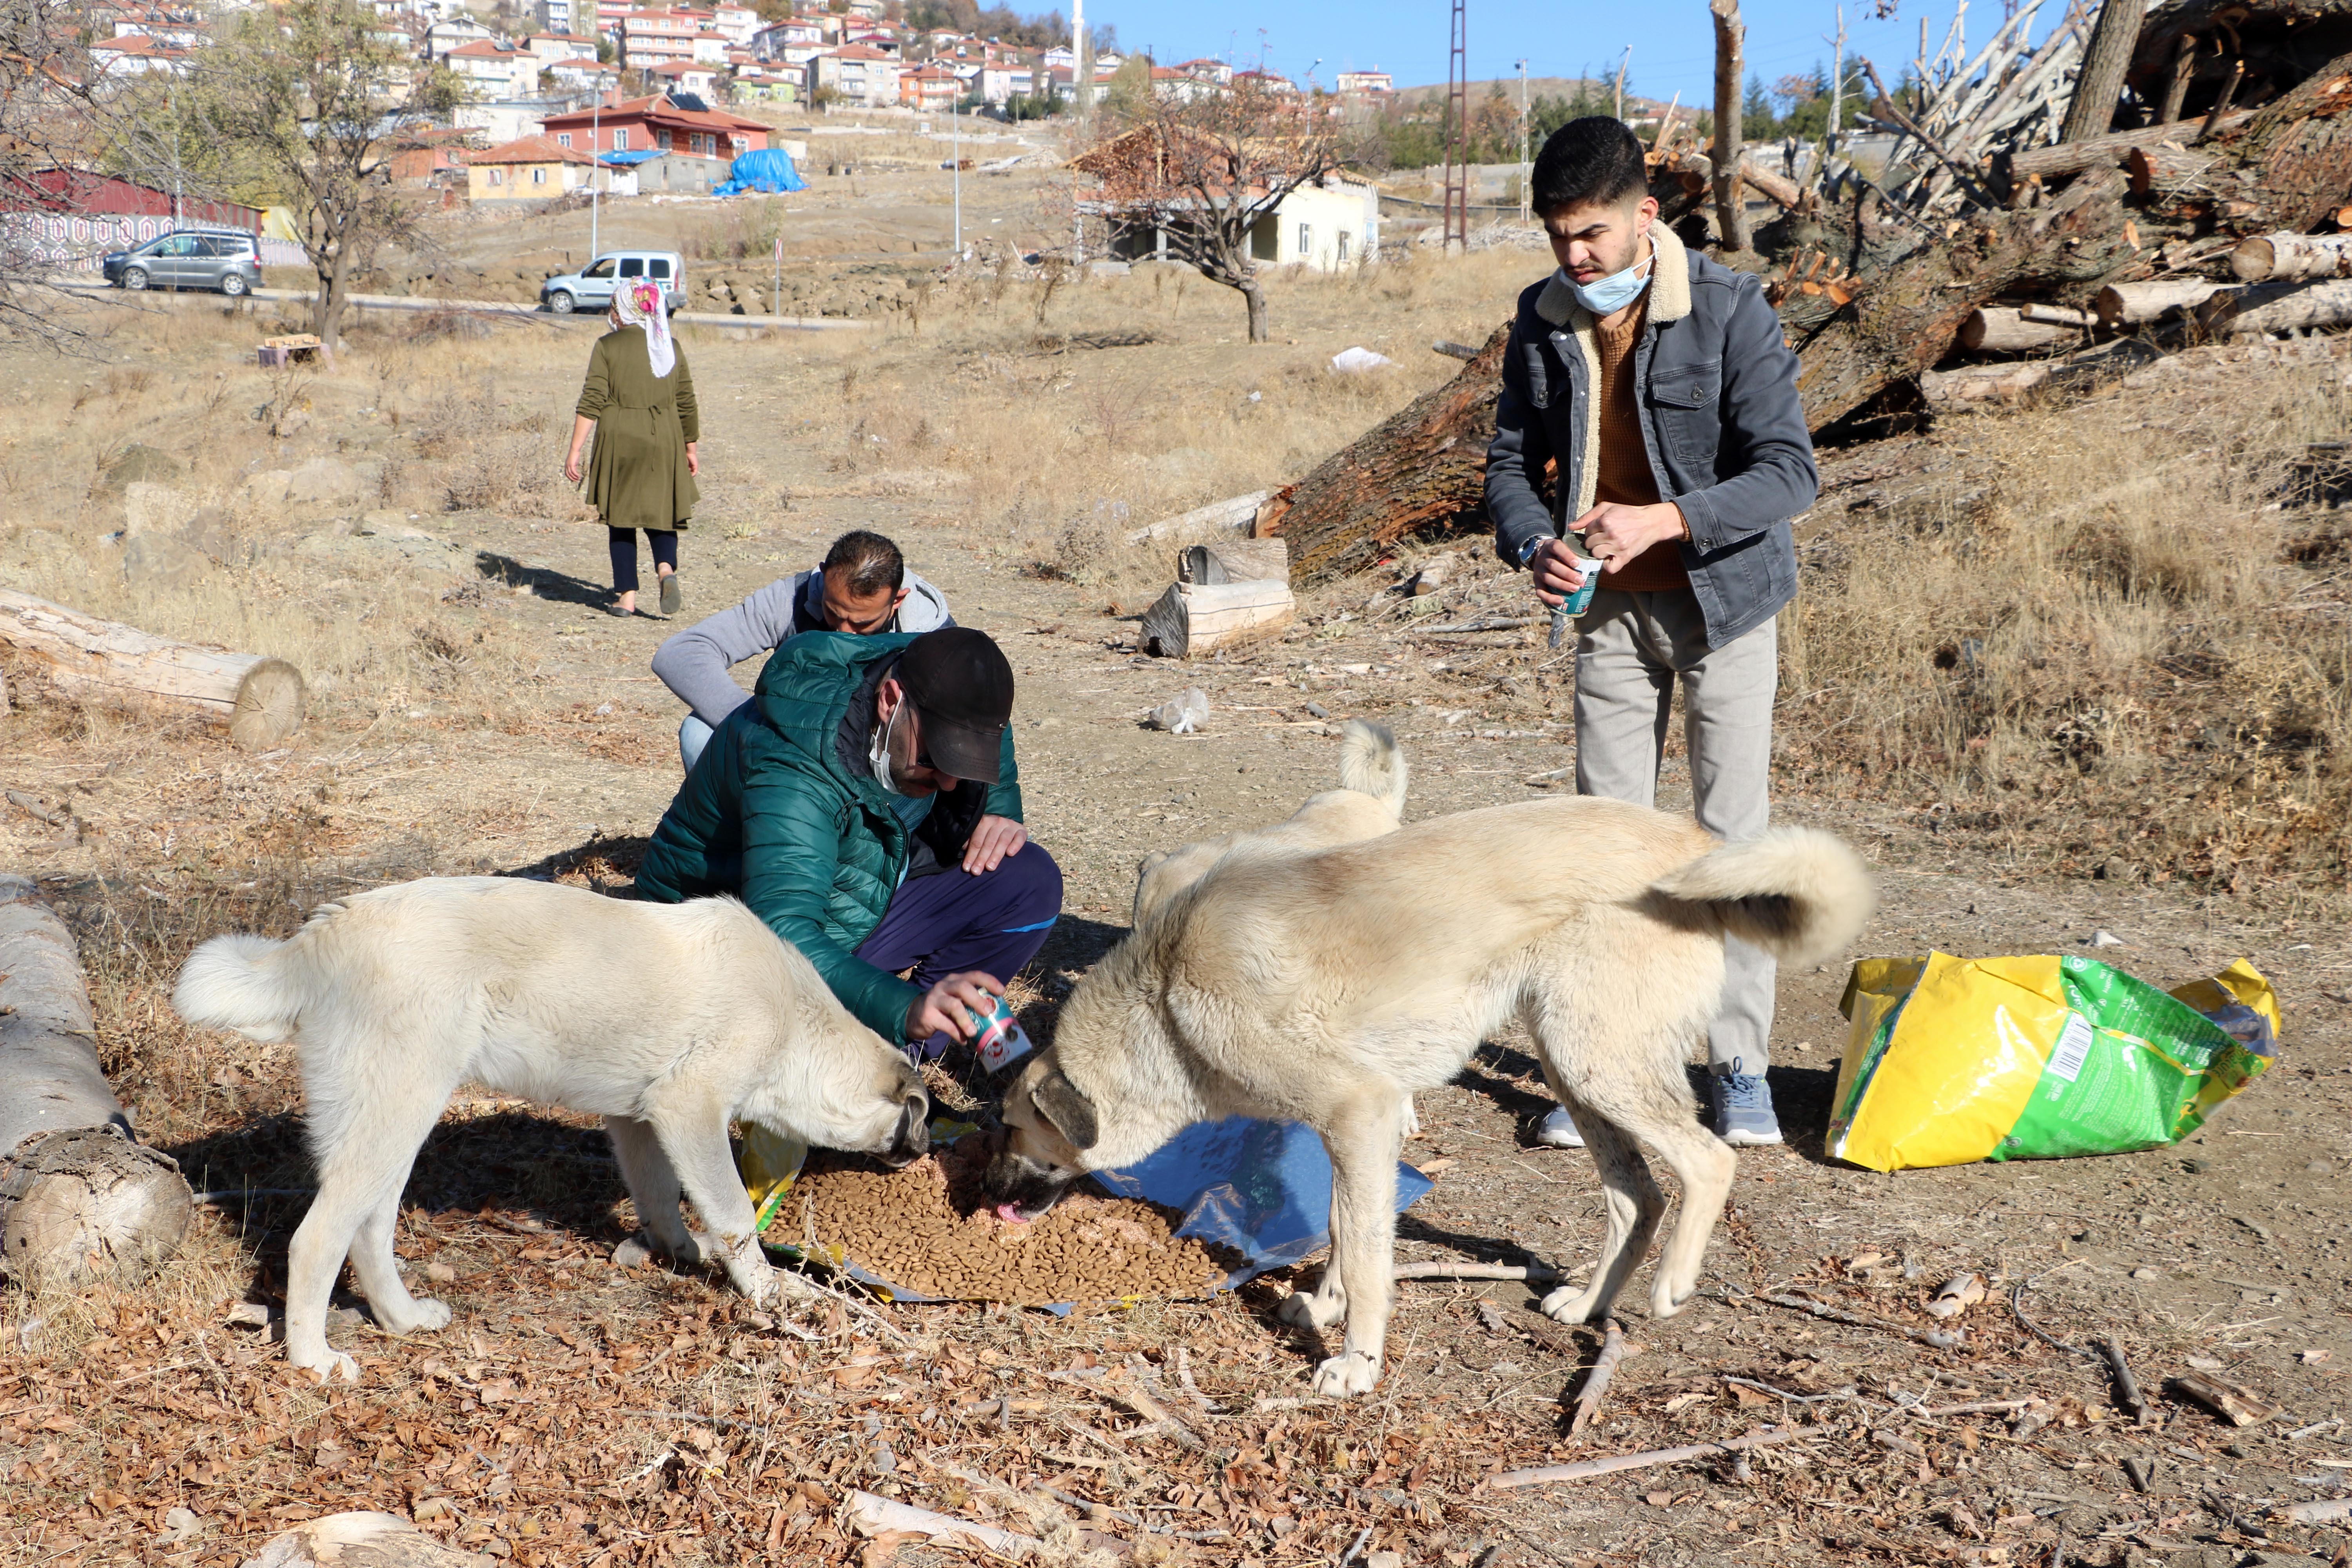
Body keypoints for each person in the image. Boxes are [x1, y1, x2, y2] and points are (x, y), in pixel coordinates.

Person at [1483, 116, 1818, 1149]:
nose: (1574, 258)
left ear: (1644, 215)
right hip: (1610, 615)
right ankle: (1609, 1070)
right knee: (1604, 850)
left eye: (1590, 234)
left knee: (1730, 842)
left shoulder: (1728, 307)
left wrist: (1667, 520)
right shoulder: (1541, 322)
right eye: (1556, 237)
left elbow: (1791, 472)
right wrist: (1534, 542)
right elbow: (1506, 469)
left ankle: (1742, 1068)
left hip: (1726, 606)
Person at [634, 625, 1061, 1066]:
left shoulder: (923, 671)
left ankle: (907, 1050)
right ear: (890, 701)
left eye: (967, 761)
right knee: (790, 1037)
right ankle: (868, 1054)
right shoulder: (795, 769)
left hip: (848, 892)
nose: (952, 782)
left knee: (1031, 881)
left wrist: (1001, 805)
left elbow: (990, 724)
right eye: (938, 757)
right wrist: (904, 1007)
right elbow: (782, 932)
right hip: (727, 942)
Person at [652, 529, 953, 774]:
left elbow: (976, 720)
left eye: (862, 623)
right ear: (824, 576)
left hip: (885, 761)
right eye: (834, 614)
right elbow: (681, 653)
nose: (843, 633)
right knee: (698, 731)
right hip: (793, 751)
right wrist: (760, 727)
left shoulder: (933, 629)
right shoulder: (793, 596)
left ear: (897, 601)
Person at [564, 276, 699, 618]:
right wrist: (691, 447)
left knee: (621, 521)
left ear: (624, 307)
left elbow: (591, 399)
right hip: (665, 436)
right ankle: (666, 570)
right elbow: (686, 401)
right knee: (662, 514)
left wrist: (575, 450)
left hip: (620, 437)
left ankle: (626, 598)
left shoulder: (608, 346)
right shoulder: (671, 346)